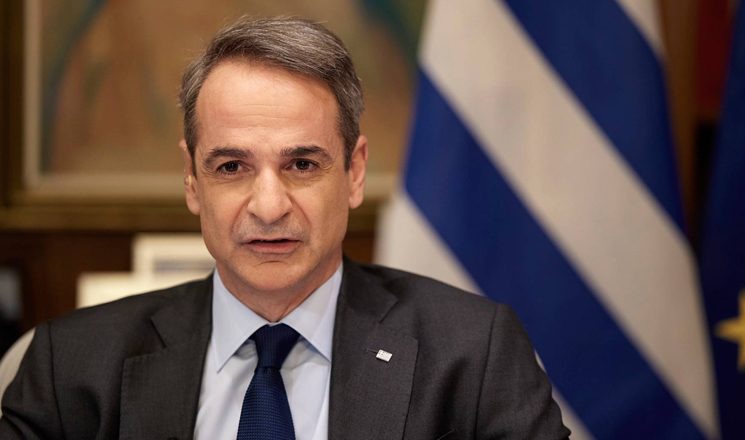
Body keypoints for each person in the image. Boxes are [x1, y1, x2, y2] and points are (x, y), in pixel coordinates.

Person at [0, 17, 570, 439]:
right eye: (231, 167)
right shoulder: (71, 364)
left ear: (354, 173)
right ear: (192, 181)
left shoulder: (471, 354)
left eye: (302, 164)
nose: (269, 207)